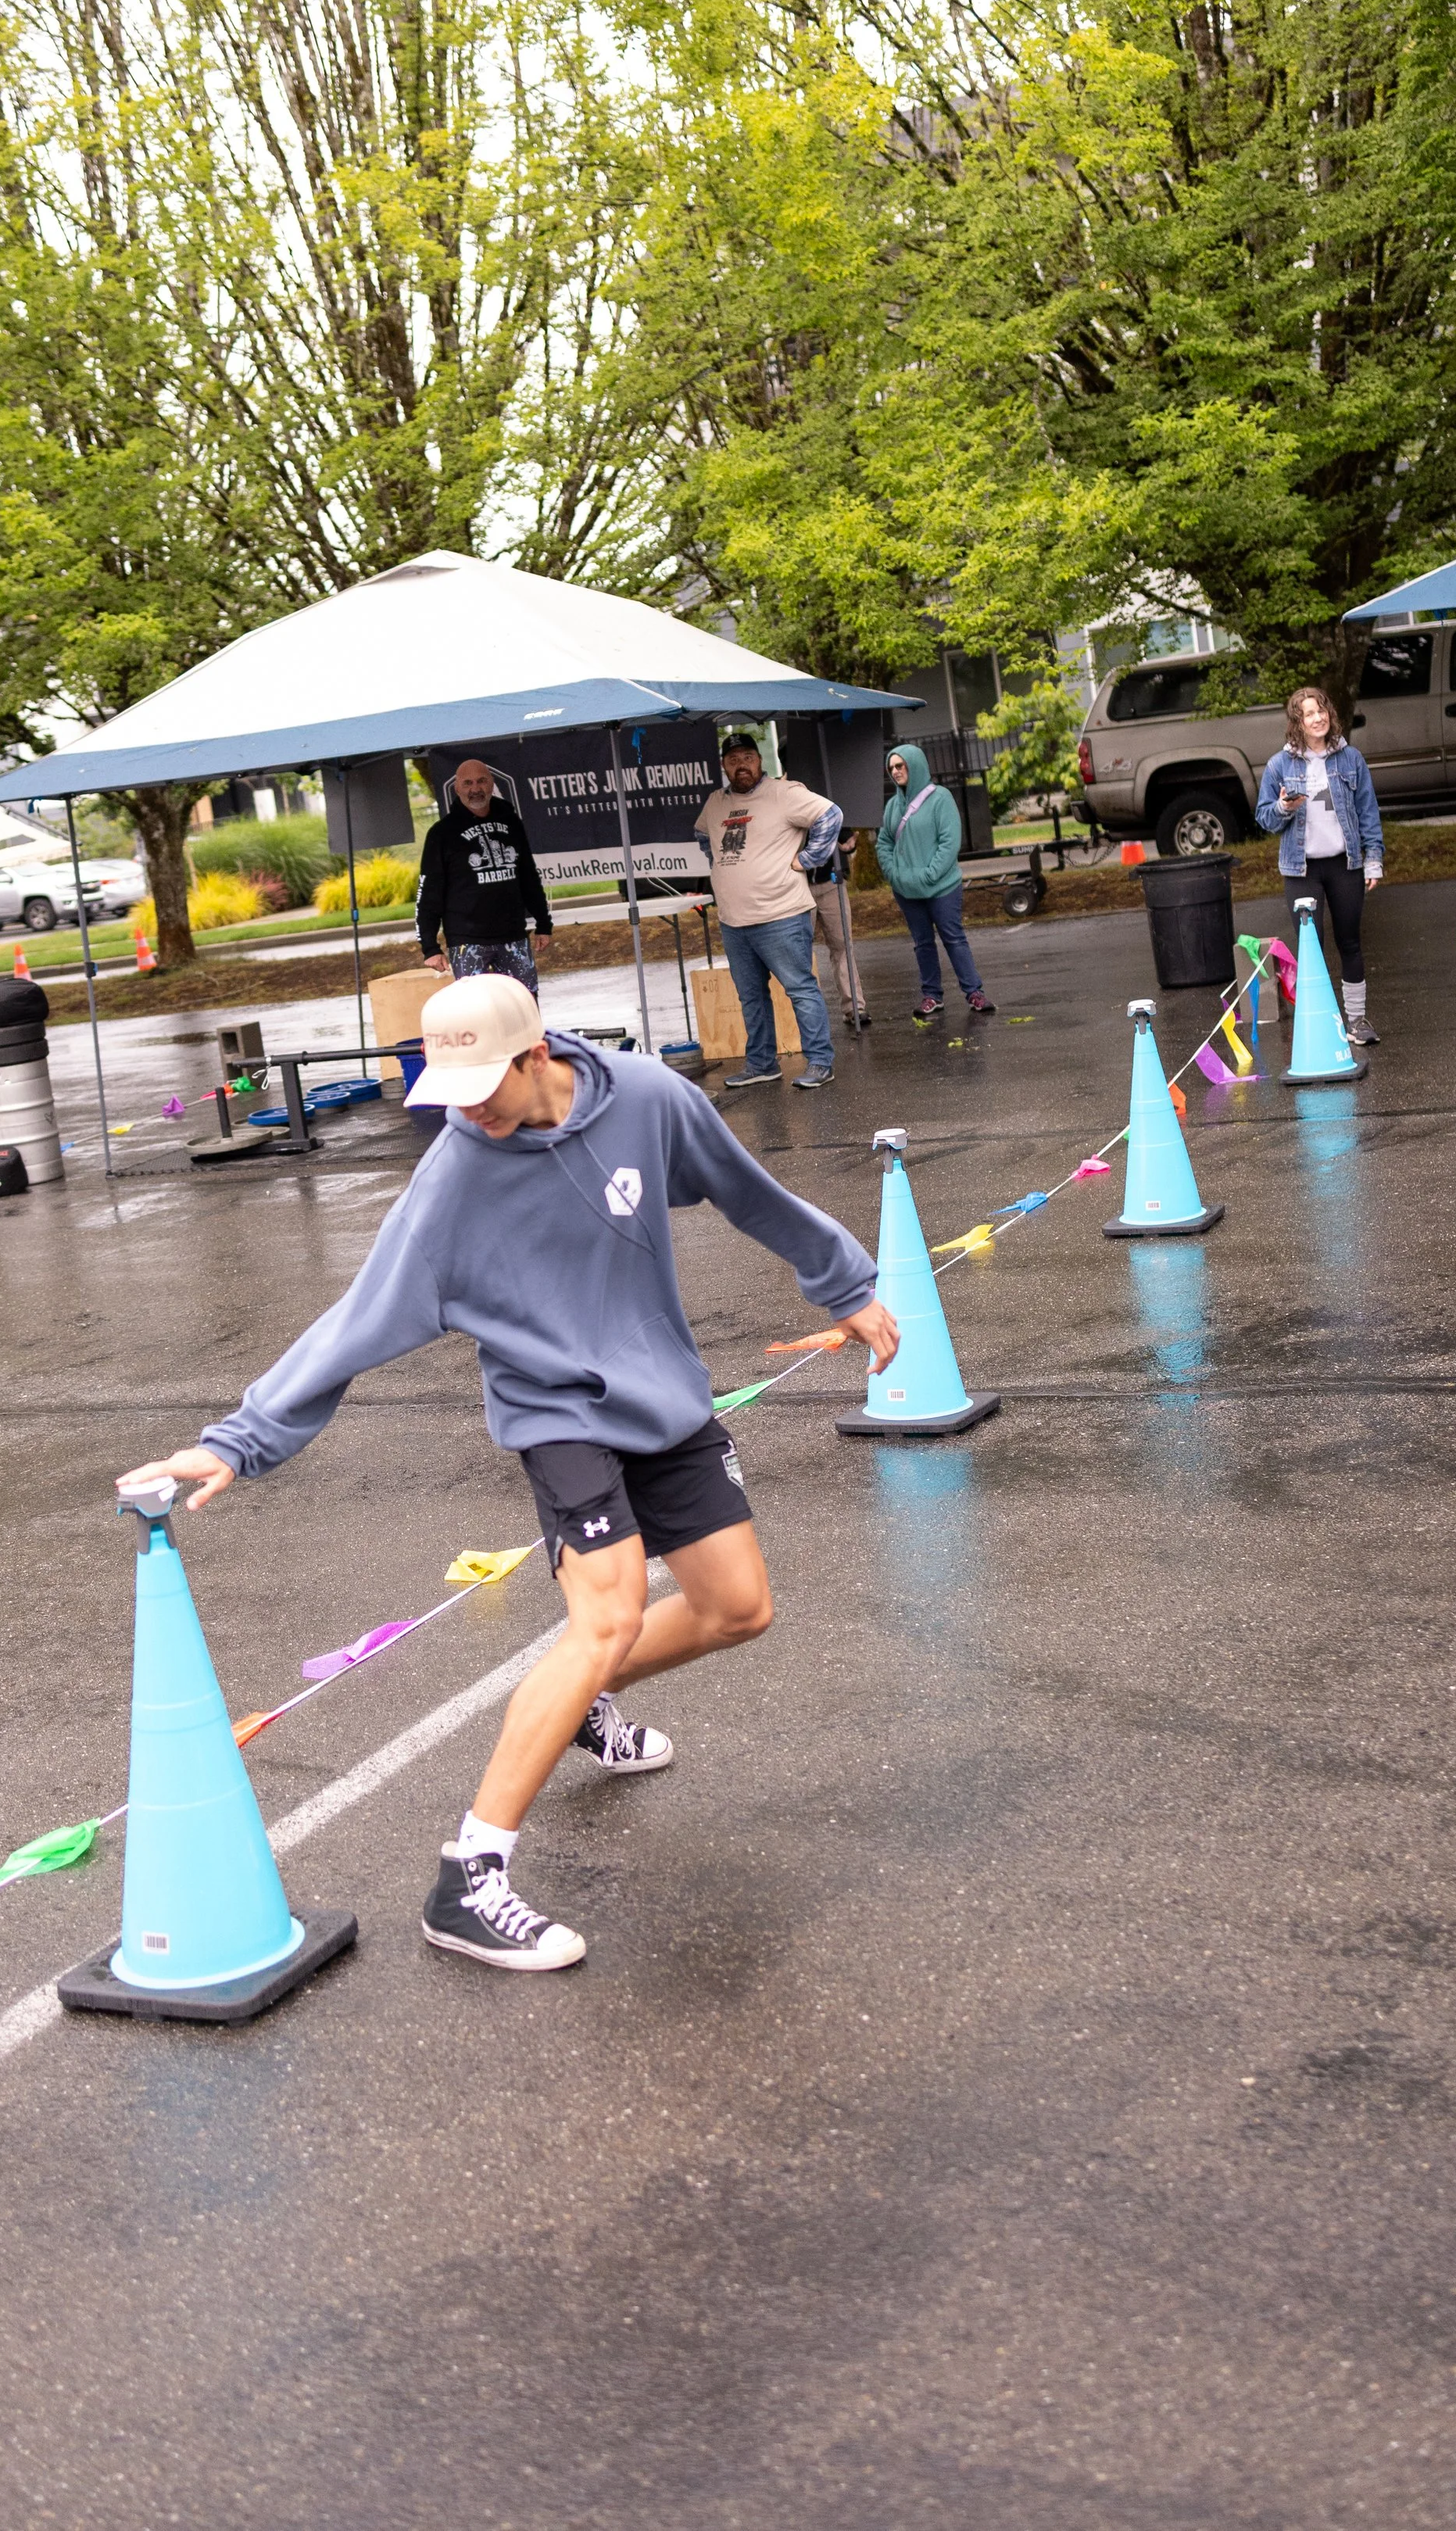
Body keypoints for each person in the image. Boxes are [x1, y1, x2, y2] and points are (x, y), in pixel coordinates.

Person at [120, 972, 897, 1973]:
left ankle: (578, 1707)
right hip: (554, 1410)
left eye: (485, 1083)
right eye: (449, 1090)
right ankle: (470, 1878)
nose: (468, 1110)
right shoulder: (453, 1178)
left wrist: (846, 1284)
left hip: (660, 1388)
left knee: (737, 1608)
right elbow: (355, 1321)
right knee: (606, 1615)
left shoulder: (648, 1099)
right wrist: (241, 1438)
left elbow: (751, 1192)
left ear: (539, 1056)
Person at [693, 732, 843, 1091]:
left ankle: (821, 1062)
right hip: (734, 920)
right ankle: (762, 1064)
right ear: (724, 766)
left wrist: (809, 858)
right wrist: (722, 866)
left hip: (782, 915)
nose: (740, 765)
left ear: (759, 760)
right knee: (750, 996)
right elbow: (702, 835)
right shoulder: (715, 803)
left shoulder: (784, 793)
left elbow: (830, 815)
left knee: (800, 990)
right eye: (732, 760)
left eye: (747, 757)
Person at [1254, 686, 1384, 1044]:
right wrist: (1283, 808)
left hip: (1346, 866)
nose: (1318, 718)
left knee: (1350, 943)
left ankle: (1357, 1021)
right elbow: (1264, 818)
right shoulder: (1280, 765)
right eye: (1308, 713)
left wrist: (1373, 861)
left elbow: (1368, 812)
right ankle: (1325, 1026)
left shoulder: (1351, 758)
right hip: (1302, 871)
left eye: (1322, 710)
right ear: (1297, 721)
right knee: (1311, 948)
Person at [875, 743, 995, 1024]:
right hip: (906, 889)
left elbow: (949, 842)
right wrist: (895, 874)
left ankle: (974, 992)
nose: (895, 771)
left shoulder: (941, 799)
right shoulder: (893, 805)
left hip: (941, 887)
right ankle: (932, 996)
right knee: (922, 943)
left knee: (953, 938)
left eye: (900, 765)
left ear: (914, 765)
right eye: (891, 767)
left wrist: (928, 875)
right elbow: (884, 843)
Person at [417, 758, 553, 991]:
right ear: (457, 788)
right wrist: (430, 947)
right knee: (477, 1012)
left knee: (523, 1005)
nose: (475, 789)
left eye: (481, 781)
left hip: (514, 936)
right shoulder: (442, 834)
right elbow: (429, 893)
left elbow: (528, 877)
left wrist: (543, 923)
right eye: (468, 783)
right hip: (468, 942)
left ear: (491, 784)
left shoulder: (511, 823)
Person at [808, 830, 871, 1028]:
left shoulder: (826, 802)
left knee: (842, 944)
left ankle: (854, 1006)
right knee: (799, 950)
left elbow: (844, 831)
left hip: (831, 882)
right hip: (796, 884)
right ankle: (805, 1015)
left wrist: (848, 841)